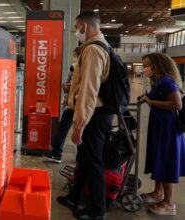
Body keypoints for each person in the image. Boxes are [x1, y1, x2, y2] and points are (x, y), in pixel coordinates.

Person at [57, 11, 112, 220]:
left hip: (94, 115)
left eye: (78, 28)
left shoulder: (93, 51)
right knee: (84, 158)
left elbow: (89, 91)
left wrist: (79, 124)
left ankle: (98, 209)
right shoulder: (97, 47)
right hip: (94, 113)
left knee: (94, 162)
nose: (77, 32)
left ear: (86, 27)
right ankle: (74, 195)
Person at [140, 52, 185, 216]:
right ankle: (158, 193)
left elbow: (177, 104)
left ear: (157, 65)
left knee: (167, 161)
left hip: (168, 128)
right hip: (160, 126)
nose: (145, 68)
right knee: (160, 158)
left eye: (147, 65)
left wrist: (151, 102)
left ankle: (169, 203)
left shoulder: (166, 81)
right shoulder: (159, 80)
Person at [43, 46, 81, 163]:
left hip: (72, 103)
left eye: (74, 55)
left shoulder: (74, 67)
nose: (73, 58)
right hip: (81, 103)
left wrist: (65, 86)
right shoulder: (87, 67)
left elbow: (69, 86)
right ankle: (81, 156)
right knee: (81, 130)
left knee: (63, 128)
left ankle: (56, 154)